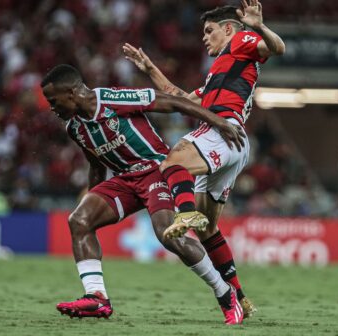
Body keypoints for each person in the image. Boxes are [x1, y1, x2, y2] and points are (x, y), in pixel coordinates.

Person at [41, 64, 247, 324]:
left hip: (156, 170)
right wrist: (93, 201)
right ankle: (97, 298)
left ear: (71, 94)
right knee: (79, 220)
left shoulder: (111, 99)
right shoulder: (74, 127)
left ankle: (224, 292)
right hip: (124, 180)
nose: (51, 107)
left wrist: (217, 121)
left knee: (168, 235)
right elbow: (95, 164)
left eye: (53, 100)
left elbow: (171, 102)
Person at [123, 0, 285, 317]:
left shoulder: (241, 41)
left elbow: (277, 48)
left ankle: (184, 214)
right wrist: (150, 69)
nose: (204, 37)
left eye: (209, 31)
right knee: (209, 228)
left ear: (228, 29)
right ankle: (240, 297)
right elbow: (181, 98)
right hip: (232, 144)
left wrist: (257, 25)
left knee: (171, 163)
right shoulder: (217, 73)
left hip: (223, 131)